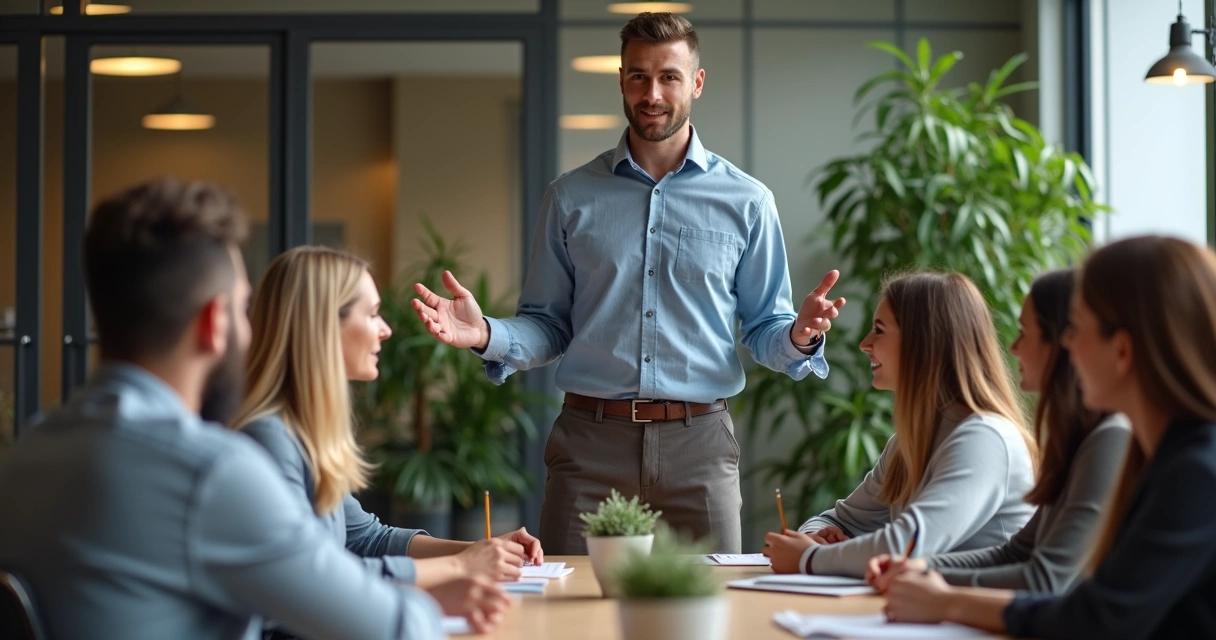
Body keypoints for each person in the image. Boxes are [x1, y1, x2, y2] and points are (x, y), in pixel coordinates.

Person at [410, 11, 845, 555]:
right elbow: (549, 325)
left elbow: (764, 329)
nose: (652, 93)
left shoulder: (748, 202)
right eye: (638, 76)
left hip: (700, 445)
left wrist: (800, 336)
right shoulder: (569, 196)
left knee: (711, 610)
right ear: (621, 79)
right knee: (570, 615)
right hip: (591, 443)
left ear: (697, 83)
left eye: (669, 76)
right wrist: (487, 336)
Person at [0, 178, 504, 640]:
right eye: (244, 308)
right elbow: (386, 628)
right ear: (215, 323)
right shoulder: (211, 472)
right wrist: (444, 588)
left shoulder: (27, 453)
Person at [883, 236, 1216, 639]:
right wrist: (926, 573)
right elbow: (1036, 563)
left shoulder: (1194, 470)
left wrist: (946, 601)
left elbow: (1100, 615)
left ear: (1123, 350)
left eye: (1076, 328)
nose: (1067, 343)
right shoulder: (1156, 452)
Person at [233, 246, 542, 613]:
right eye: (372, 314)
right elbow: (312, 581)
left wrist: (481, 552)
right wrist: (461, 566)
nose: (386, 330)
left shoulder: (301, 431)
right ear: (323, 327)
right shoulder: (269, 440)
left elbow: (366, 539)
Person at [866, 269, 1130, 592]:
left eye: (1024, 333)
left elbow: (1044, 580)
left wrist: (939, 592)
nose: (1014, 348)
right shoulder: (1081, 437)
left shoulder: (1109, 436)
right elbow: (1017, 553)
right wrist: (918, 569)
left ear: (1063, 342)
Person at [763, 271, 1037, 577]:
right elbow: (840, 520)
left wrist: (809, 558)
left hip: (981, 622)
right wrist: (817, 536)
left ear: (925, 341)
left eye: (879, 330)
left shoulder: (985, 438)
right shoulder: (910, 442)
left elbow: (908, 544)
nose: (865, 344)